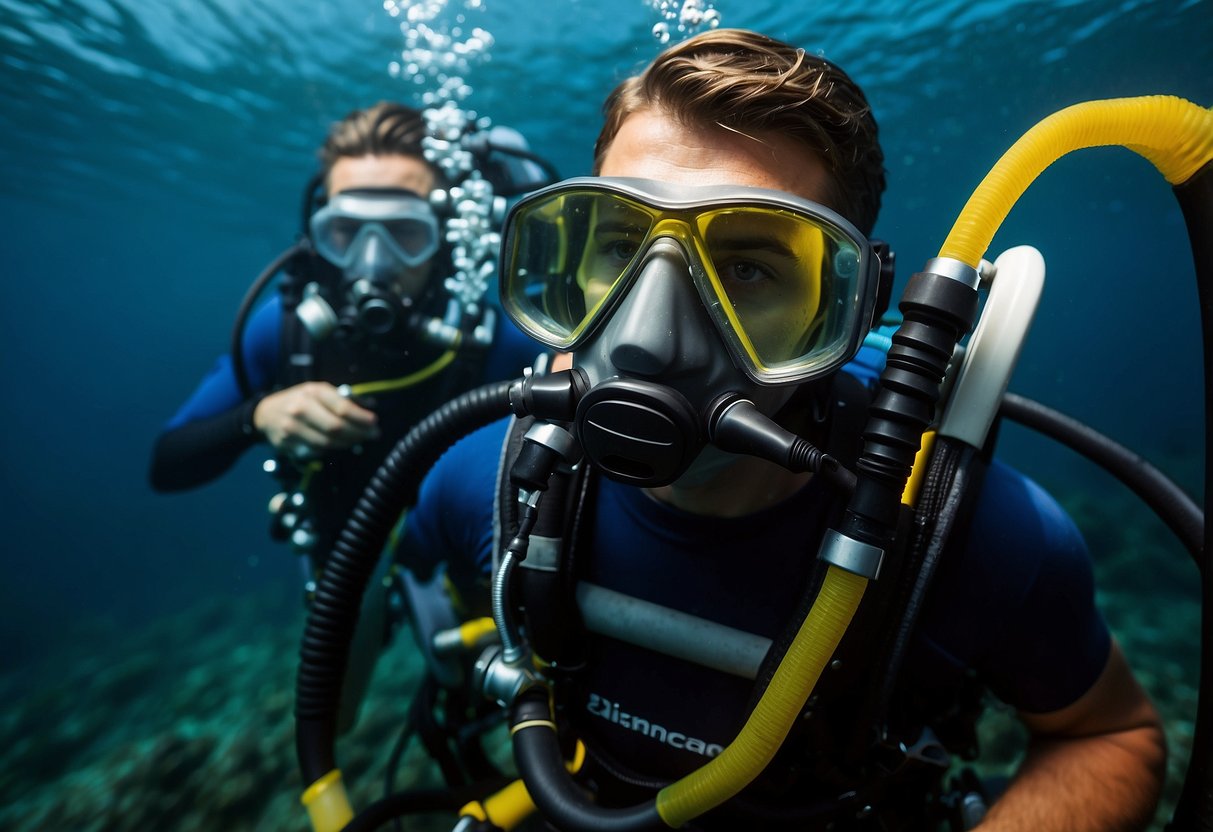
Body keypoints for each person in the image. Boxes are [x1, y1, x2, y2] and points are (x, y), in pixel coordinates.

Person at [394, 29, 1167, 831]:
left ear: (848, 310)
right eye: (619, 243)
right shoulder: (484, 482)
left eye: (749, 268)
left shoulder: (979, 540)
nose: (642, 338)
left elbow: (1112, 735)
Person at [150, 101, 548, 732]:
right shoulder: (285, 333)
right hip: (347, 557)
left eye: (403, 232)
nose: (373, 260)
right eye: (346, 233)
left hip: (471, 560)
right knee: (329, 724)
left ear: (445, 229)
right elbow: (168, 463)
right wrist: (258, 415)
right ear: (318, 233)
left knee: (498, 714)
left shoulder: (495, 333)